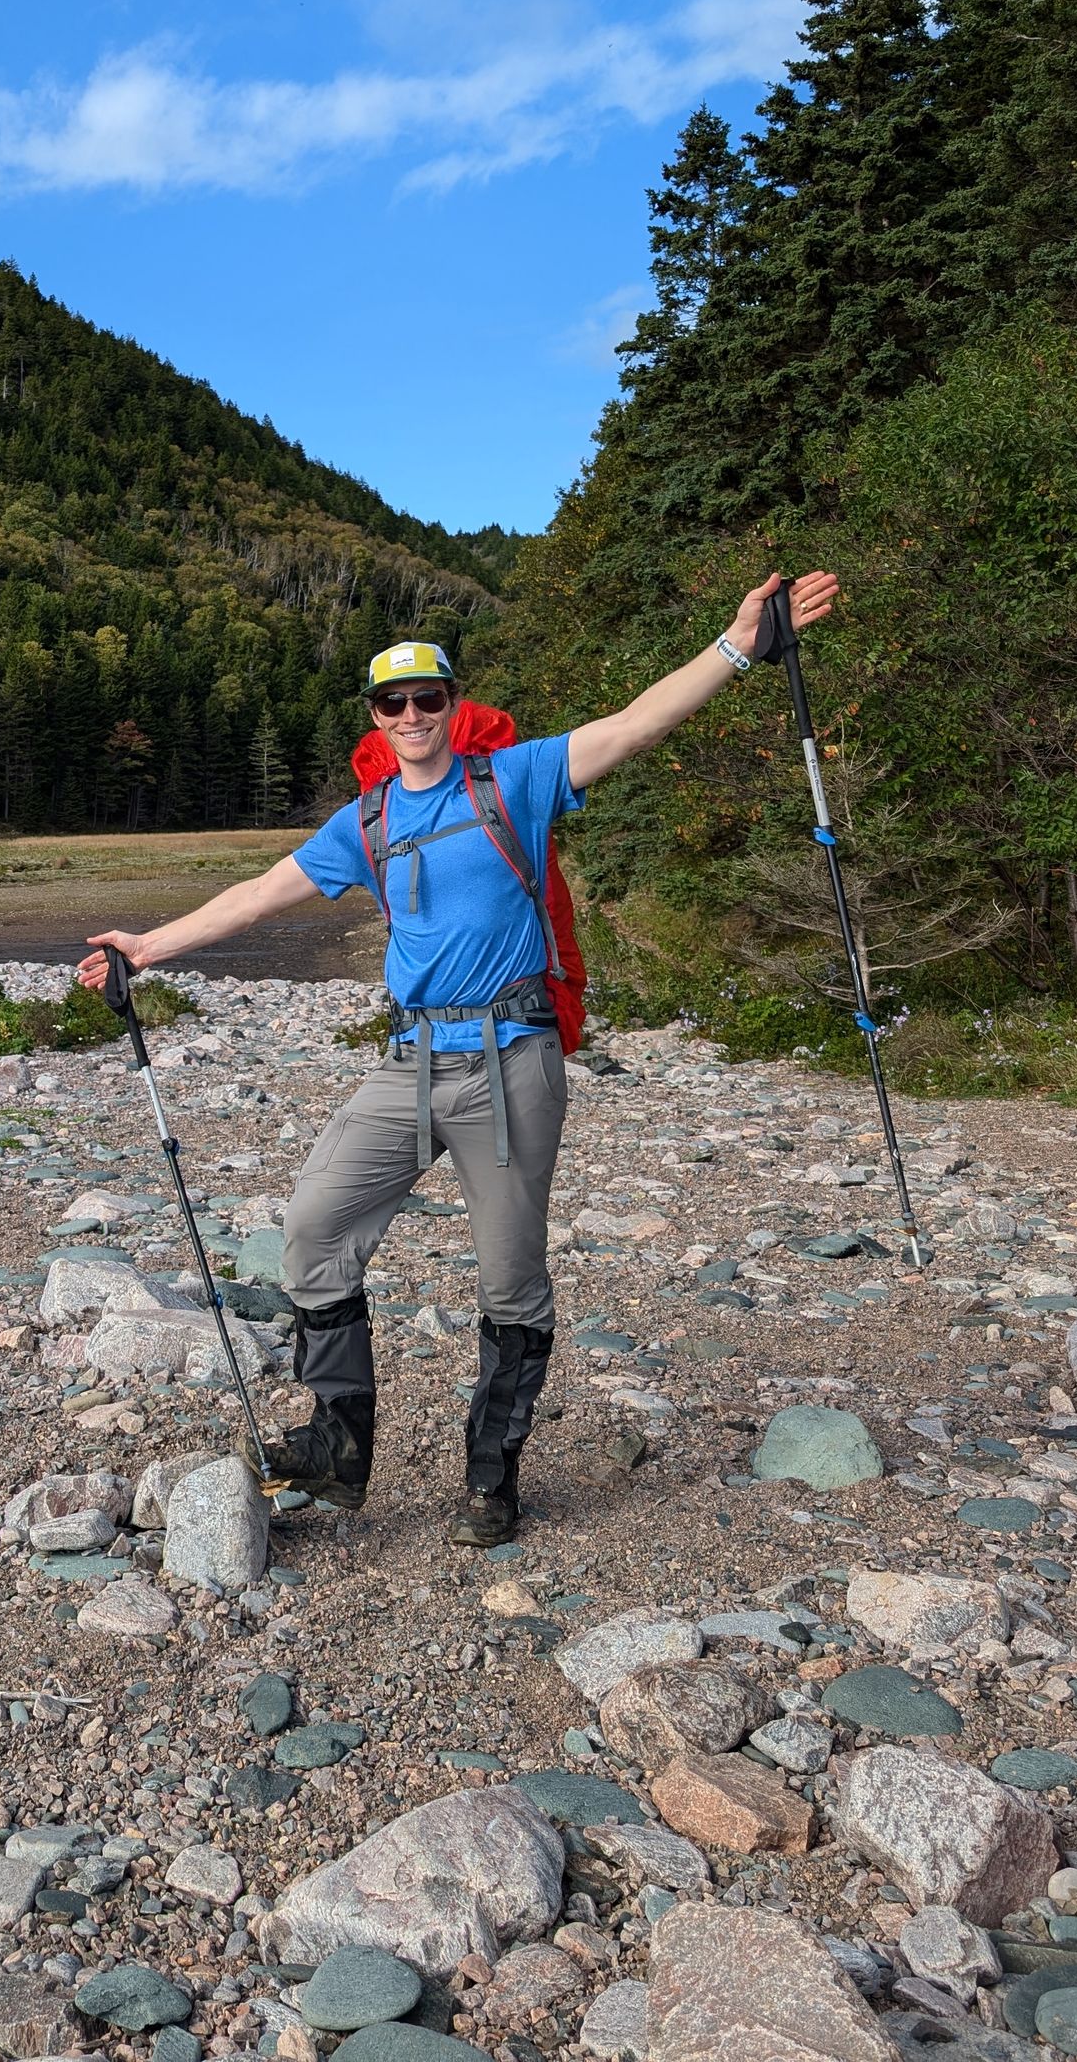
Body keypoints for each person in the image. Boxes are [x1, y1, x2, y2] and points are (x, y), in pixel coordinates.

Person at [78, 568, 839, 1546]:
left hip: (510, 1057)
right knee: (312, 1228)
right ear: (375, 715)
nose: (409, 713)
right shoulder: (365, 823)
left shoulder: (511, 780)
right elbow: (262, 892)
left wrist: (737, 645)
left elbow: (636, 722)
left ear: (450, 703)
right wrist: (147, 946)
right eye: (390, 702)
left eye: (425, 697)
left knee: (509, 1278)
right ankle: (337, 1449)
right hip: (408, 1061)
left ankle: (491, 1476)